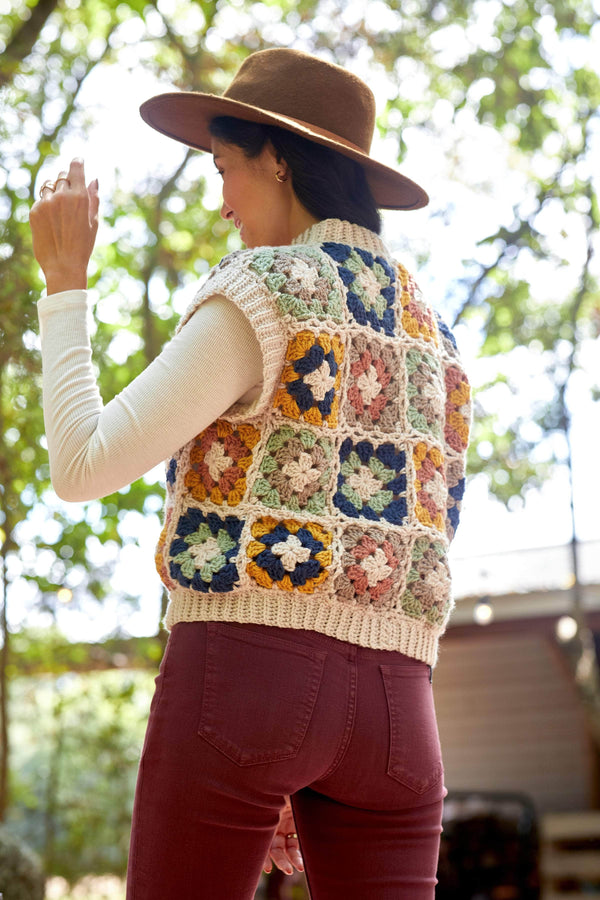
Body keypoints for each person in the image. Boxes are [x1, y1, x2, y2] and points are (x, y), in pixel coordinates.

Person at [29, 47, 471, 900]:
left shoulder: (270, 288)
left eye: (226, 168)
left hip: (240, 680)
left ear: (279, 157)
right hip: (399, 718)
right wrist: (318, 731)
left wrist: (66, 283)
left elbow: (83, 463)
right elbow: (431, 528)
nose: (221, 201)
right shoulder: (435, 335)